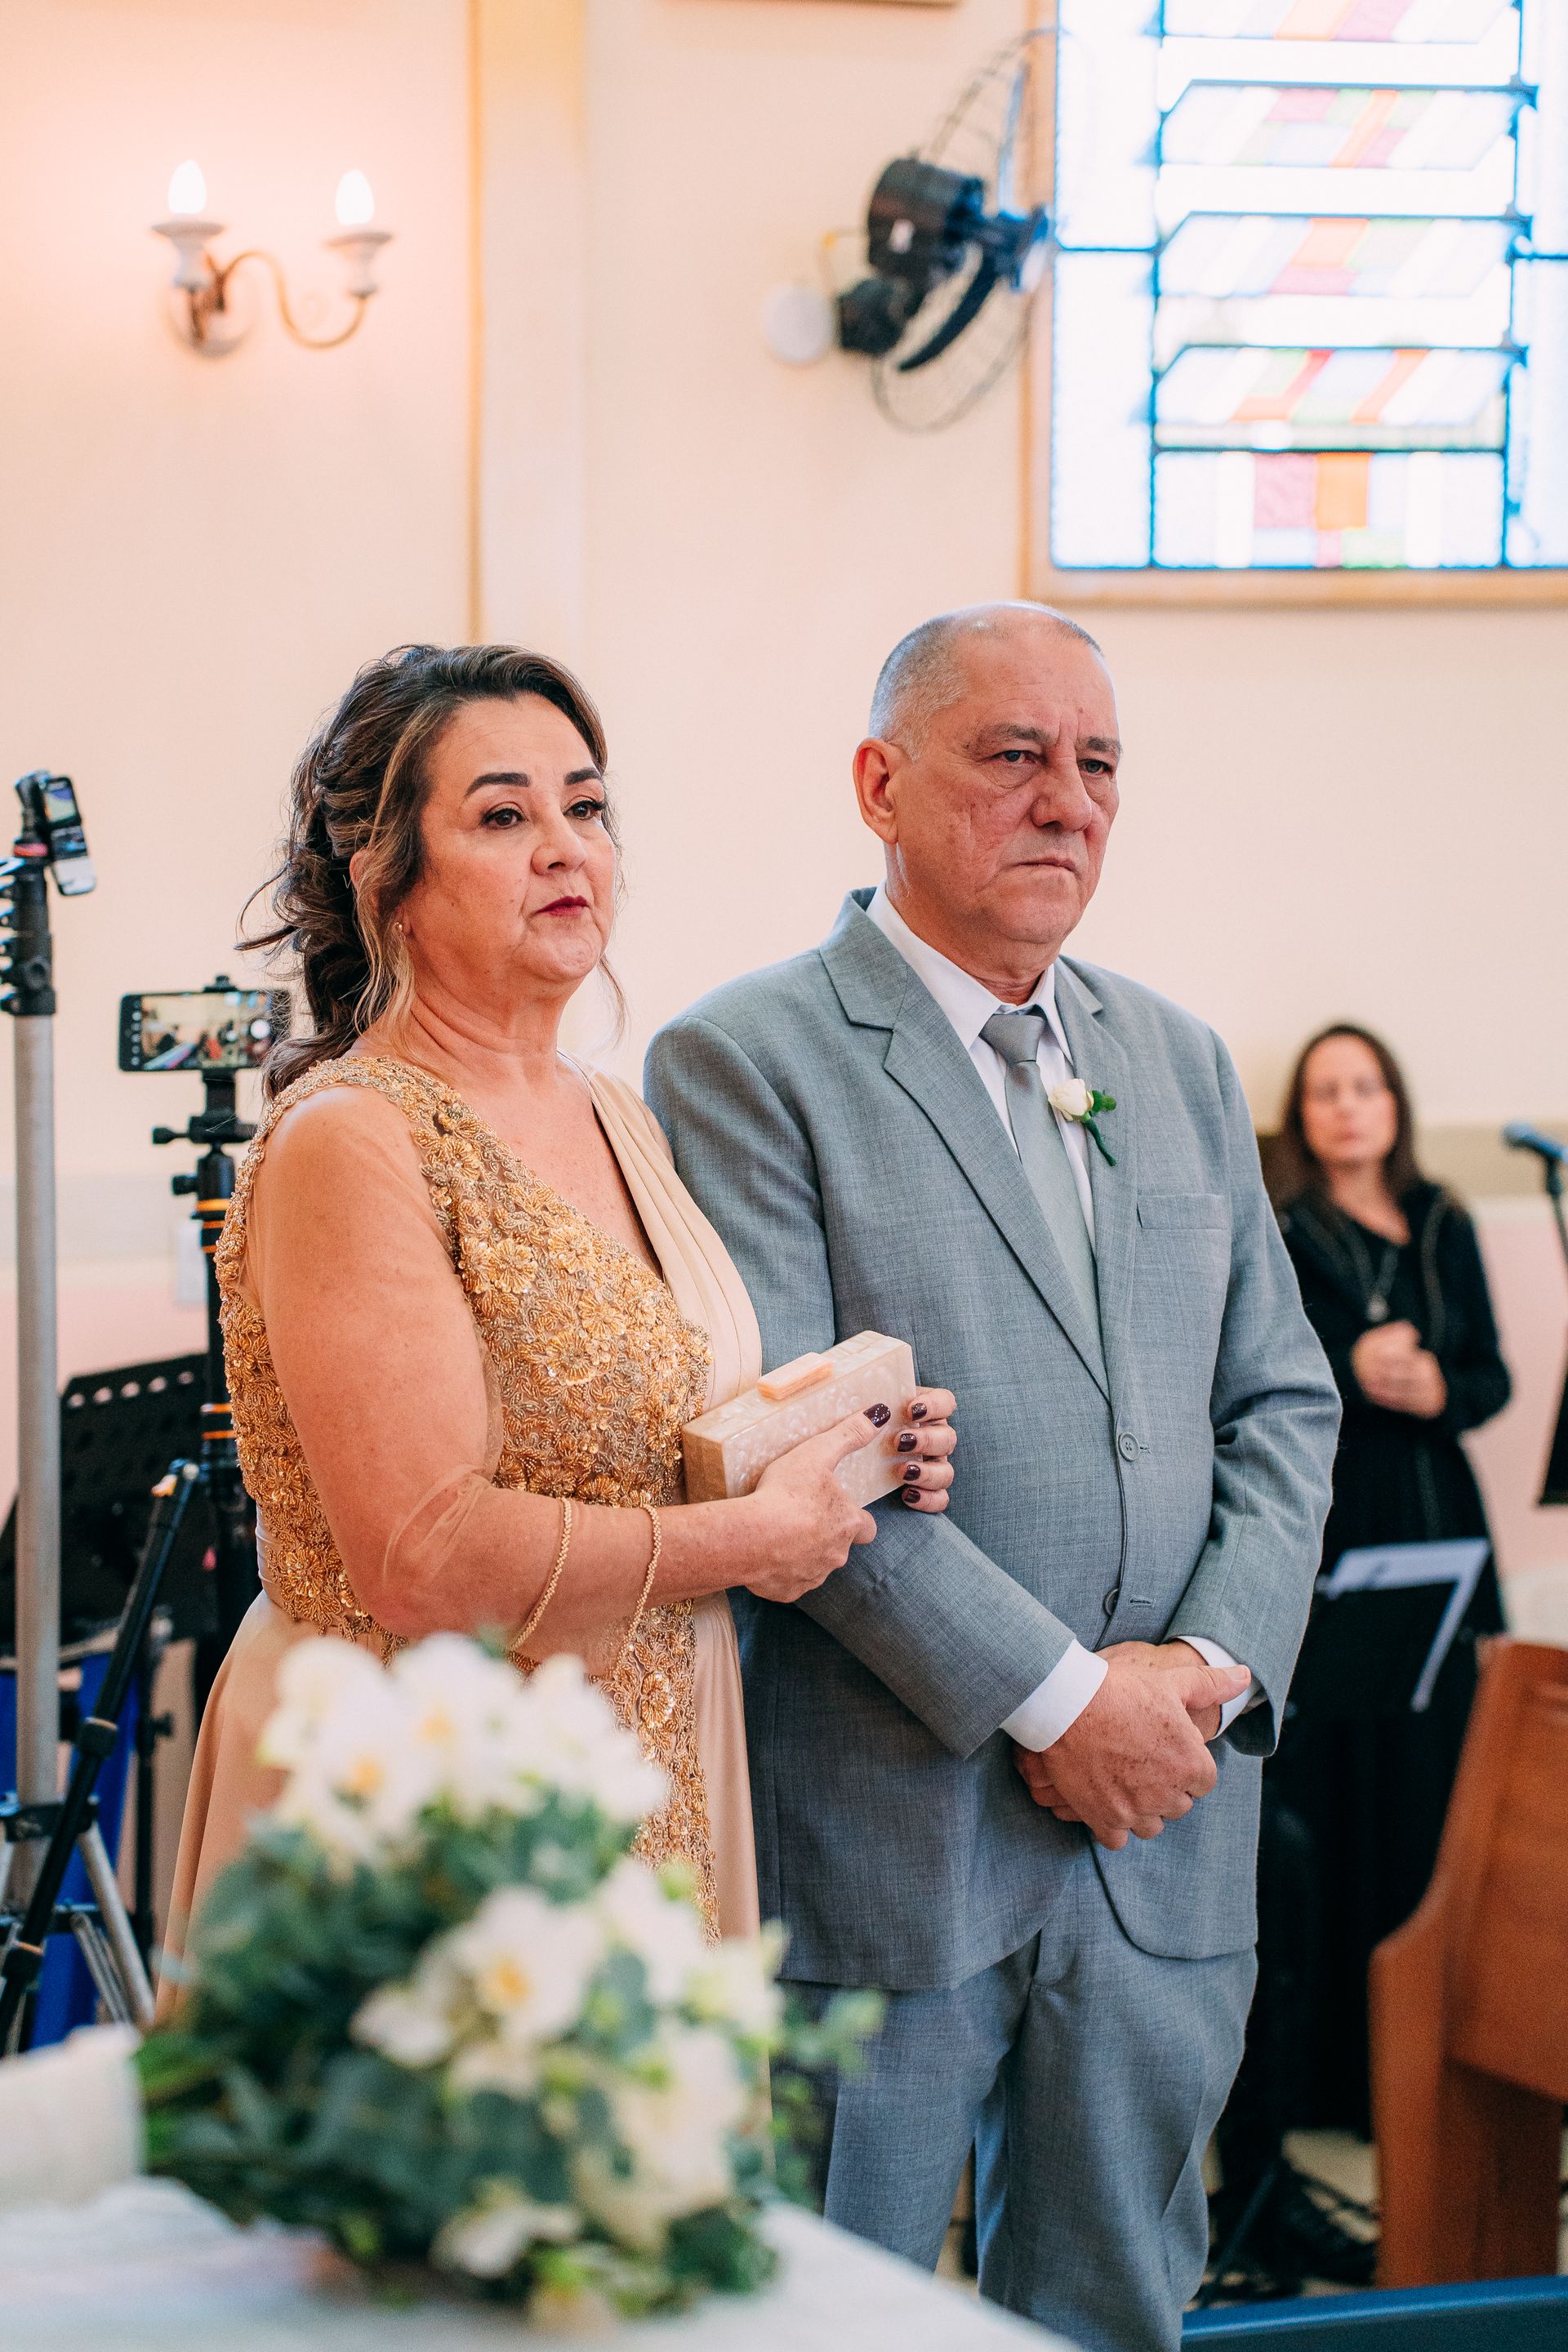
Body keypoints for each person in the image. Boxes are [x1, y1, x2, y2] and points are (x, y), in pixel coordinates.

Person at [644, 602, 1341, 2352]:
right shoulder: (746, 1061)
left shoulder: (1176, 1061)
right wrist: (1055, 1703)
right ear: (880, 782)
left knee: (1120, 2304)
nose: (1068, 802)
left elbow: (1285, 1406)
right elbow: (801, 1457)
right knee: (834, 2314)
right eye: (1013, 756)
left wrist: (1194, 1680)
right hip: (891, 1831)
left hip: (1166, 1834)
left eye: (1097, 764)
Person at [160, 644, 958, 1987]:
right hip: (425, 1793)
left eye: (586, 809)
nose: (564, 849)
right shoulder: (353, 1141)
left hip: (642, 1758)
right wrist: (750, 1538)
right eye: (502, 815)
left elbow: (634, 1423)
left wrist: (837, 1441)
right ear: (385, 882)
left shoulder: (611, 1108)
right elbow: (419, 1553)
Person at [1265, 1025, 1509, 2131]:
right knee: (1345, 1783)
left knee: (1444, 1776)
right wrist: (1357, 1378)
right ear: (1302, 1116)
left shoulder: (1448, 1219)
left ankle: (1441, 2066)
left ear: (1397, 1105)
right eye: (1325, 1091)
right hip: (1342, 1519)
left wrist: (1434, 1392)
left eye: (1365, 1087)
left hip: (1447, 1519)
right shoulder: (1288, 1228)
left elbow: (1490, 1375)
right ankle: (1338, 2078)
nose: (1347, 1107)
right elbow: (1272, 1376)